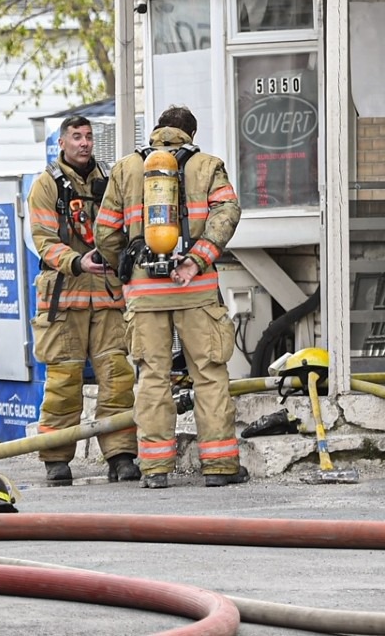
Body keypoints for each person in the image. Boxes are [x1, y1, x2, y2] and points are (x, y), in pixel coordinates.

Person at [94, 105, 245, 489]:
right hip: (194, 289)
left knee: (152, 377)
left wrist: (129, 272)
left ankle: (155, 469)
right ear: (191, 134)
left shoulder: (126, 169)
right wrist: (197, 259)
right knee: (209, 374)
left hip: (144, 294)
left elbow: (105, 234)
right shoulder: (208, 165)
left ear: (157, 131)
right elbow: (227, 213)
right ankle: (220, 466)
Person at [29, 114, 140, 485]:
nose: (84, 143)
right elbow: (44, 240)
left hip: (107, 296)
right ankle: (57, 459)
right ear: (61, 142)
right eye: (76, 136)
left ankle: (121, 455)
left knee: (117, 377)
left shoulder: (108, 182)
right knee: (63, 380)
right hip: (65, 298)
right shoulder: (46, 186)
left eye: (89, 136)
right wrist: (76, 261)